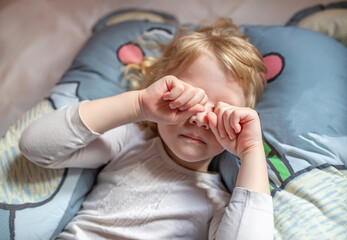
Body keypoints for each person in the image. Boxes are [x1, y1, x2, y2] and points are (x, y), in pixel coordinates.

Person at [19, 18, 274, 239]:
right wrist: (138, 104)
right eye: (188, 98)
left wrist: (251, 150)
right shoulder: (130, 141)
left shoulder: (219, 203)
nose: (199, 118)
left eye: (220, 110)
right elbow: (35, 146)